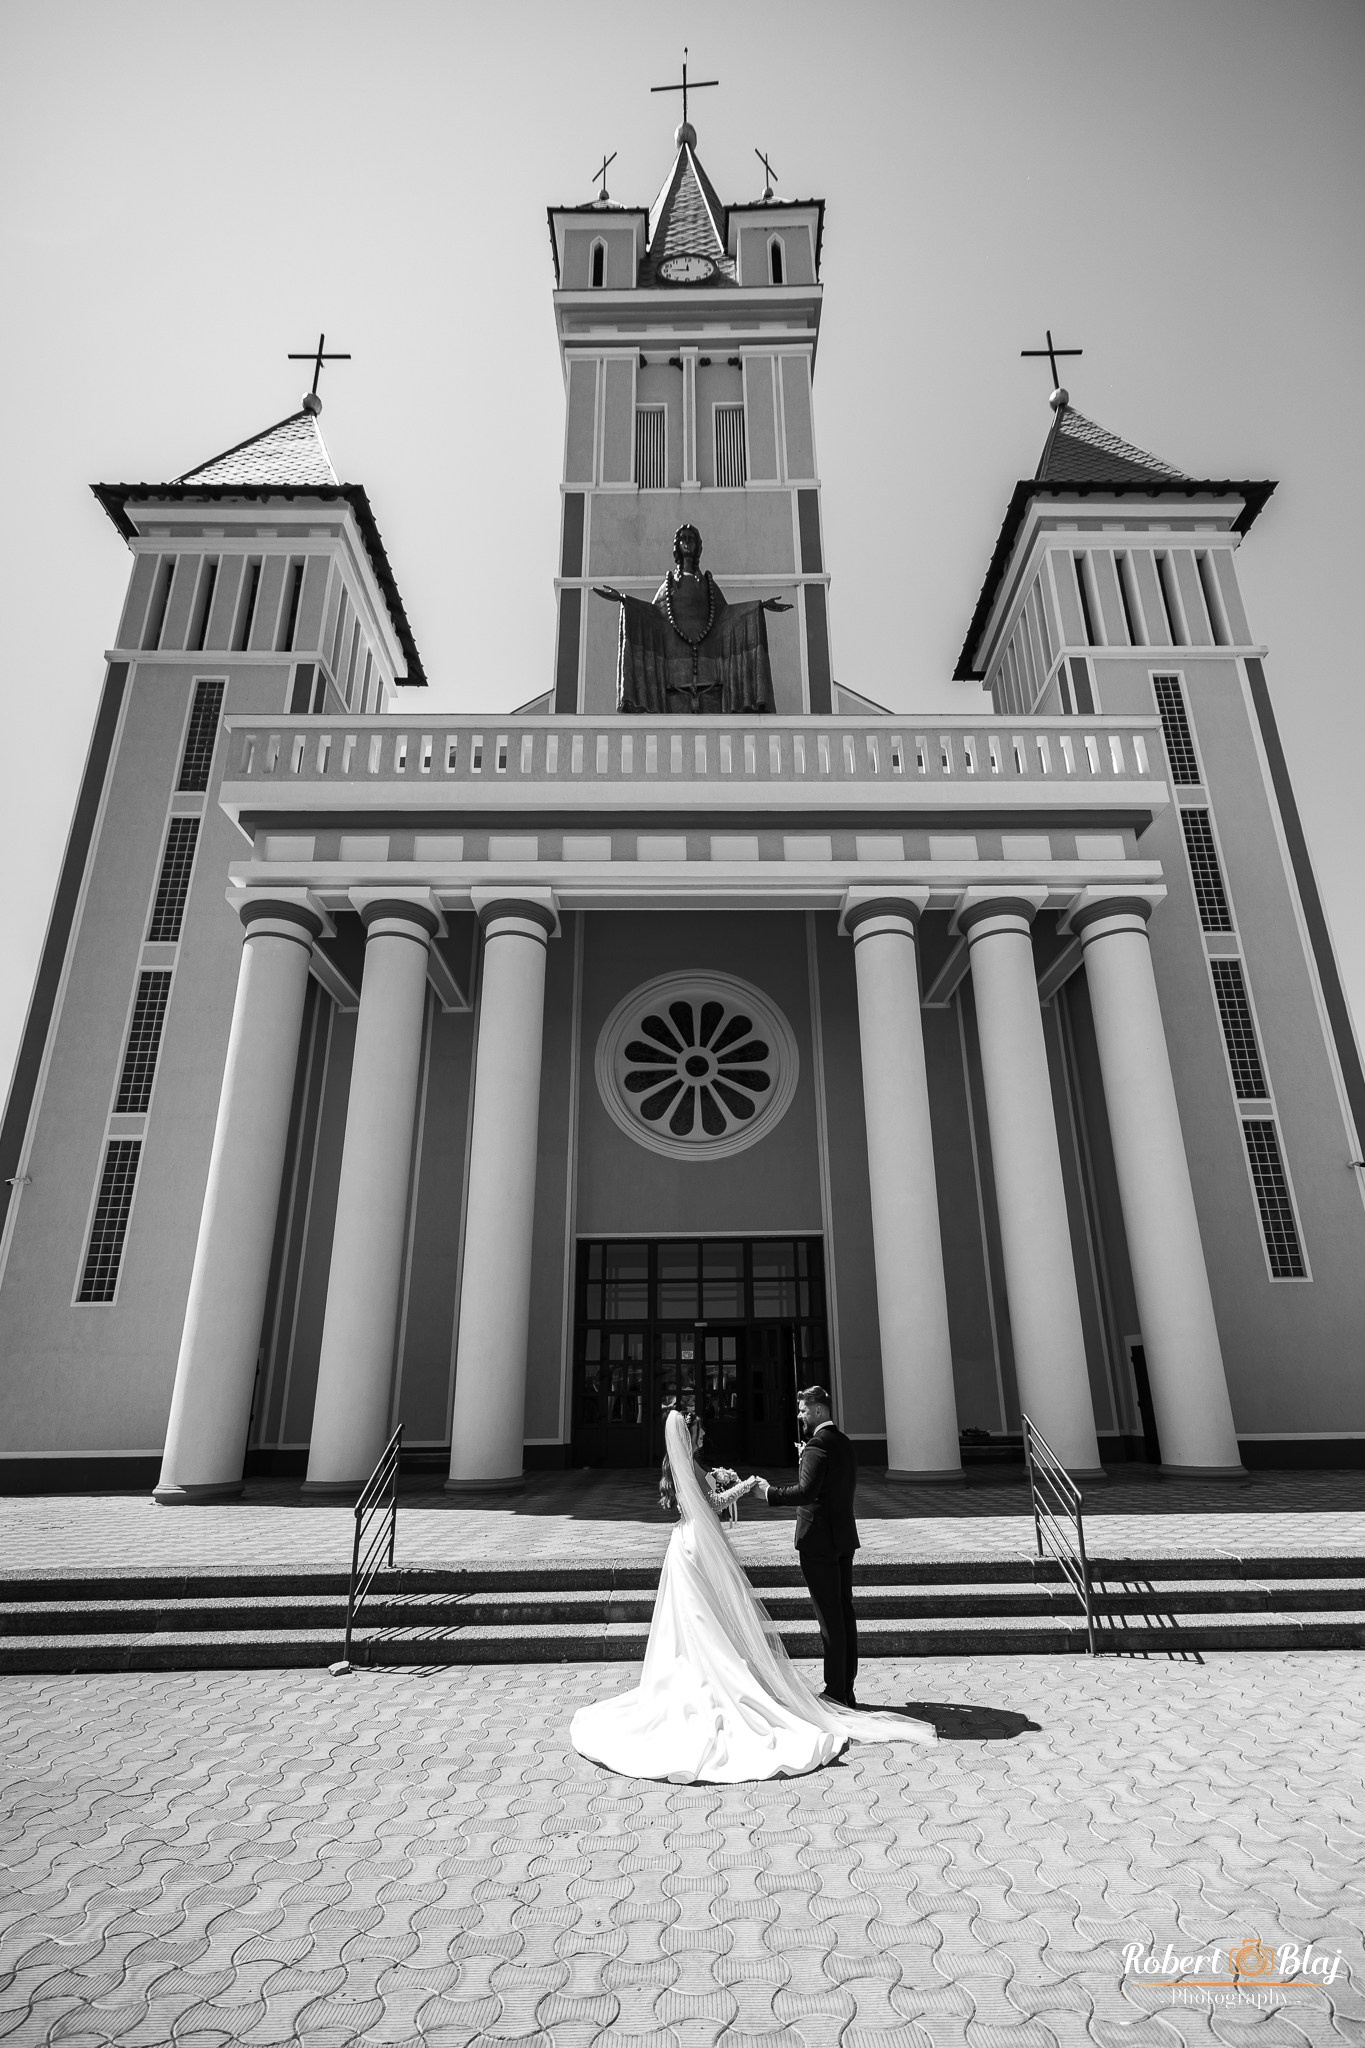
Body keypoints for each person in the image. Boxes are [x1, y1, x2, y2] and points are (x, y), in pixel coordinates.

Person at [569, 1408, 935, 1784]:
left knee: (697, 1618)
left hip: (687, 1544)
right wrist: (747, 1486)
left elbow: (700, 1498)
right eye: (698, 1429)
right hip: (698, 1546)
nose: (704, 1432)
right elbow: (708, 1503)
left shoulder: (685, 1464)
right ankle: (710, 1681)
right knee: (700, 1616)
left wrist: (724, 1481)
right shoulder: (689, 1466)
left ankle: (698, 1674)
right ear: (688, 1435)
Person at [593, 523, 790, 714]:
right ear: (677, 546)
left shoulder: (708, 586)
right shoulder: (669, 586)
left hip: (708, 674)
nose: (687, 542)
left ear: (698, 546)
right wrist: (624, 601)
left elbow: (726, 618)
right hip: (676, 677)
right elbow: (654, 616)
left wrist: (758, 608)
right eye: (683, 539)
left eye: (691, 539)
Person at [752, 1385, 860, 1707]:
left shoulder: (817, 1446)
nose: (799, 1415)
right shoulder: (843, 1443)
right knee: (844, 1613)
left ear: (818, 1411)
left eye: (803, 1410)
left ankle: (835, 1692)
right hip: (842, 1537)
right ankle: (846, 1689)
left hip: (819, 1542)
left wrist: (769, 1493)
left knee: (830, 1618)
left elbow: (805, 1492)